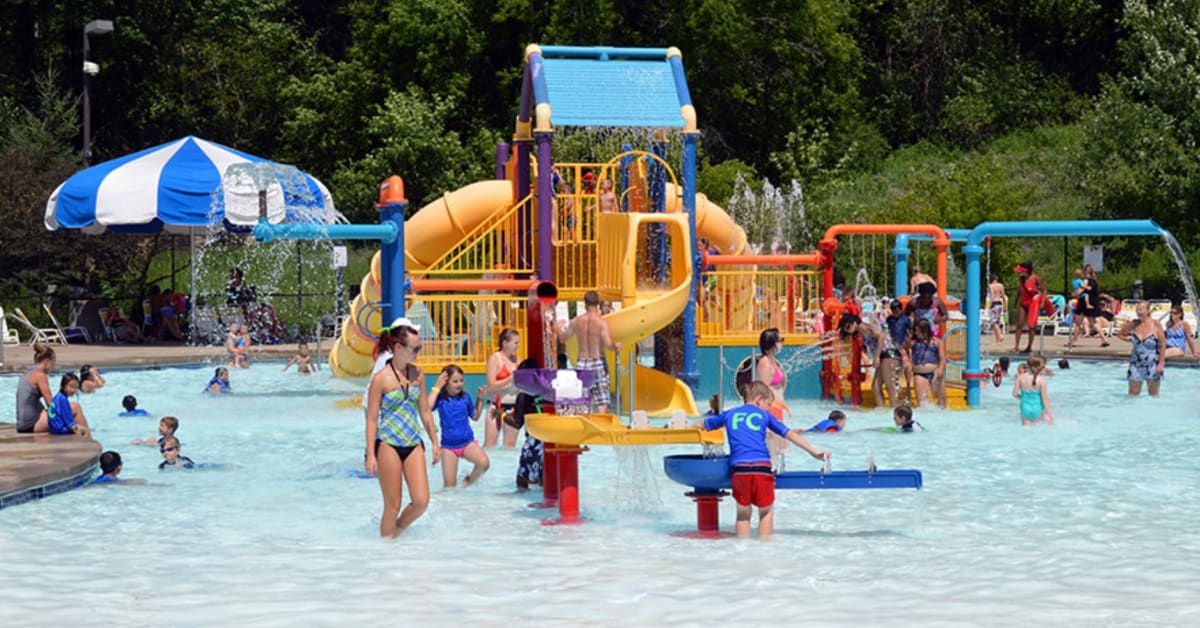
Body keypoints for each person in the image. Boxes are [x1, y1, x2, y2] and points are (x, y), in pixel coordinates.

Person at [692, 381, 830, 539]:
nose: (769, 408)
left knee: (743, 514)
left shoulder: (730, 414)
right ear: (758, 399)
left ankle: (742, 549)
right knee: (766, 512)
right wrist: (814, 452)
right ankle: (764, 551)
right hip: (761, 468)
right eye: (768, 404)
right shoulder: (764, 415)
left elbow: (700, 425)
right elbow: (790, 434)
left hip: (739, 470)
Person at [364, 322, 439, 537]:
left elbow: (424, 410)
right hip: (388, 443)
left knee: (421, 501)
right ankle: (387, 552)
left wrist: (435, 441)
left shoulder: (418, 374)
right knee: (392, 505)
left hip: (413, 441)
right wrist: (371, 454)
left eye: (419, 348)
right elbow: (371, 420)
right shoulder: (380, 379)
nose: (417, 353)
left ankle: (395, 532)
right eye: (414, 349)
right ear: (398, 347)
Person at [557, 291, 622, 414]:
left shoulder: (576, 321)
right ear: (598, 303)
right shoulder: (602, 322)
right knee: (602, 401)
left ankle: (584, 428)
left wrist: (558, 328)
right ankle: (600, 429)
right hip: (598, 361)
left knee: (583, 399)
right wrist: (616, 346)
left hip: (582, 363)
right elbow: (609, 344)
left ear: (585, 303)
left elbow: (562, 338)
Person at [431, 364, 490, 488]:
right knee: (449, 487)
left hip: (467, 443)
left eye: (461, 380)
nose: (459, 384)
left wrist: (480, 399)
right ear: (446, 383)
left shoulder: (465, 397)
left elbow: (475, 416)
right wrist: (436, 387)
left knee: (484, 463)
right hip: (449, 448)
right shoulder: (440, 399)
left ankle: (467, 482)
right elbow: (427, 407)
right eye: (455, 381)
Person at [838, 313, 897, 408]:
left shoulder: (865, 328)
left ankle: (896, 409)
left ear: (854, 323)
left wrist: (876, 357)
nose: (848, 331)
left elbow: (881, 336)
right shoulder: (861, 330)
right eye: (846, 329)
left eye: (848, 327)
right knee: (876, 387)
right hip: (883, 355)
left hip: (887, 354)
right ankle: (883, 410)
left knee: (889, 384)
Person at [1117, 300, 1166, 397]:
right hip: (1136, 363)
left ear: (1148, 311)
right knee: (1133, 394)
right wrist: (1131, 339)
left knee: (1153, 394)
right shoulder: (1134, 324)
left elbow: (1163, 344)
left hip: (1152, 363)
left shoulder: (1155, 324)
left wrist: (1161, 364)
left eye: (1141, 309)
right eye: (1137, 310)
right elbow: (1120, 334)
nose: (1138, 312)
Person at [514, 359, 548, 491]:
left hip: (533, 439)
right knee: (544, 474)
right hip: (548, 438)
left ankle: (521, 493)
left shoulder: (523, 396)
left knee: (522, 475)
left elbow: (517, 423)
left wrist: (502, 415)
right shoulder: (546, 392)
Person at [484, 328, 522, 448]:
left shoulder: (518, 361)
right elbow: (491, 385)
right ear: (505, 343)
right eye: (515, 343)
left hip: (513, 407)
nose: (518, 345)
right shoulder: (495, 359)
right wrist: (510, 378)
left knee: (510, 446)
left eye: (518, 342)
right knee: (489, 444)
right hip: (496, 406)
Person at [15, 343, 56, 434]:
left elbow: (29, 400)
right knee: (74, 408)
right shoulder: (40, 375)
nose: (52, 367)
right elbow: (51, 404)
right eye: (53, 363)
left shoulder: (27, 373)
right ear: (47, 362)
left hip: (22, 423)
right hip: (31, 424)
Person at [906, 318, 946, 408]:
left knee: (942, 402)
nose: (916, 333)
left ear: (925, 331)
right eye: (915, 331)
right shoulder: (912, 342)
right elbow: (903, 350)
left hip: (935, 373)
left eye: (918, 331)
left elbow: (943, 359)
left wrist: (940, 370)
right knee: (922, 404)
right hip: (919, 374)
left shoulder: (937, 342)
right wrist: (907, 361)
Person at [885, 299, 914, 404]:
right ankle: (895, 388)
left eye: (897, 310)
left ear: (901, 310)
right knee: (894, 368)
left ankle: (908, 386)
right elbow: (887, 331)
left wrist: (908, 345)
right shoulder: (889, 319)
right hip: (893, 346)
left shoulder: (905, 319)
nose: (895, 312)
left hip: (903, 347)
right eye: (893, 310)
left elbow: (911, 333)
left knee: (907, 367)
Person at [1012, 262, 1046, 353]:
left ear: (1025, 271)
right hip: (1024, 303)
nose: (1019, 273)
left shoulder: (1035, 278)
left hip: (1033, 304)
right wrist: (1015, 302)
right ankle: (1016, 345)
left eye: (1021, 271)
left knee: (1031, 326)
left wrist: (1042, 302)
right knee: (1019, 324)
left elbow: (1044, 290)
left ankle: (1029, 346)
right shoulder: (1021, 279)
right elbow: (1020, 291)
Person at [1013, 356, 1053, 426]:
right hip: (1038, 408)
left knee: (1026, 431)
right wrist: (1049, 415)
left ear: (1028, 365)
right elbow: (1044, 399)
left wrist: (1022, 397)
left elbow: (1015, 394)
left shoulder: (1020, 377)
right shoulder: (1042, 380)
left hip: (1025, 408)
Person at [988, 274, 1008, 346]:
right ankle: (997, 340)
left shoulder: (991, 286)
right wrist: (1005, 306)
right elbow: (1003, 296)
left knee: (994, 323)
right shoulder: (1001, 285)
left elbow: (992, 296)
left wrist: (989, 306)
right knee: (997, 321)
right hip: (1000, 304)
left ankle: (1000, 336)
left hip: (994, 304)